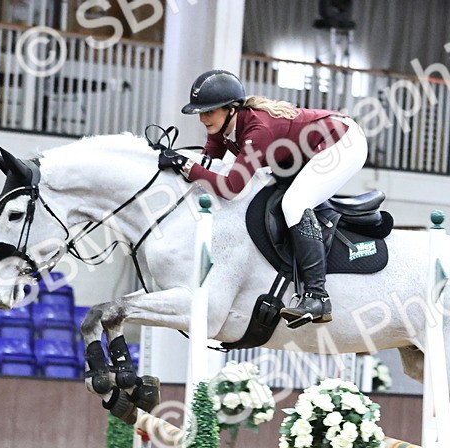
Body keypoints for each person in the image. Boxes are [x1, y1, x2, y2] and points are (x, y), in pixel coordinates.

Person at [156, 69, 369, 326]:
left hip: (343, 142)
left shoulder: (258, 131)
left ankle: (317, 296)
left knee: (295, 203)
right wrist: (175, 160)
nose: (203, 119)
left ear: (231, 109)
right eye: (201, 112)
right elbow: (209, 163)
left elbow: (232, 187)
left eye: (209, 111)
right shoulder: (222, 128)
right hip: (307, 150)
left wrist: (187, 167)